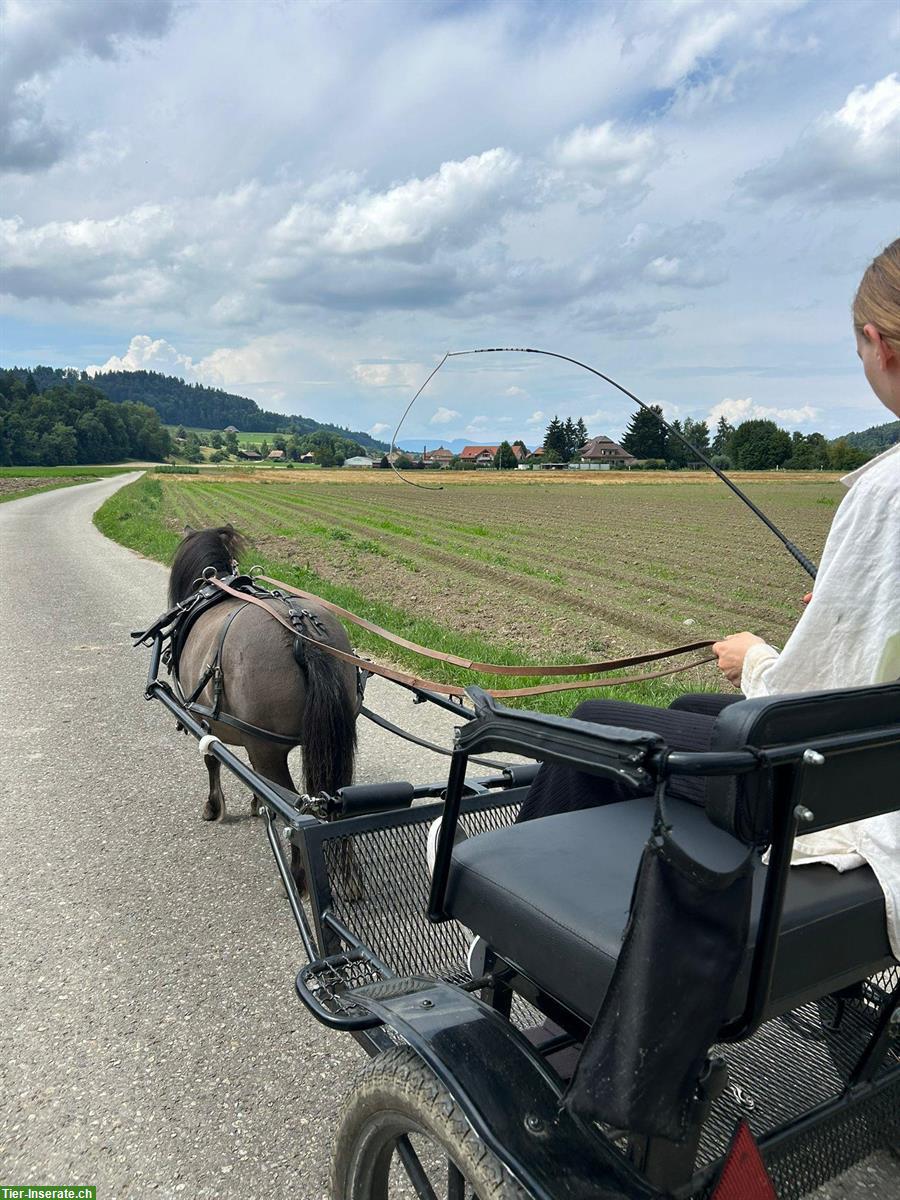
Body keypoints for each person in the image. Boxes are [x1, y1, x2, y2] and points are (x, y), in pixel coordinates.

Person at [515, 237, 900, 956]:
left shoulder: (888, 490)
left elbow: (805, 697)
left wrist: (754, 657)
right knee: (692, 712)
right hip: (877, 761)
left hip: (856, 797)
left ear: (877, 343)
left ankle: (532, 936)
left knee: (594, 723)